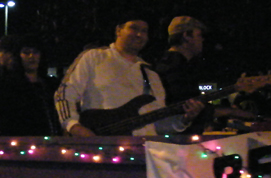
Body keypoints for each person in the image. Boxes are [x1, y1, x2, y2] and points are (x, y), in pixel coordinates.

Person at [54, 17, 204, 137]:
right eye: (134, 28)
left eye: (144, 31)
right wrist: (73, 126)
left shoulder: (151, 74)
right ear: (118, 30)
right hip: (104, 148)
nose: (139, 34)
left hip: (141, 152)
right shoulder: (94, 57)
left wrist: (185, 119)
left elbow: (157, 125)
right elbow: (65, 93)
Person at [154, 16, 253, 133]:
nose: (202, 40)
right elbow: (184, 108)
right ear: (186, 36)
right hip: (180, 138)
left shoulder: (169, 63)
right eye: (199, 35)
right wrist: (231, 111)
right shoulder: (177, 67)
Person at [0, 35, 61, 136]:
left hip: (46, 142)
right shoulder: (9, 84)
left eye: (35, 52)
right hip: (17, 142)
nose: (31, 56)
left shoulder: (49, 84)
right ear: (18, 56)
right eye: (26, 53)